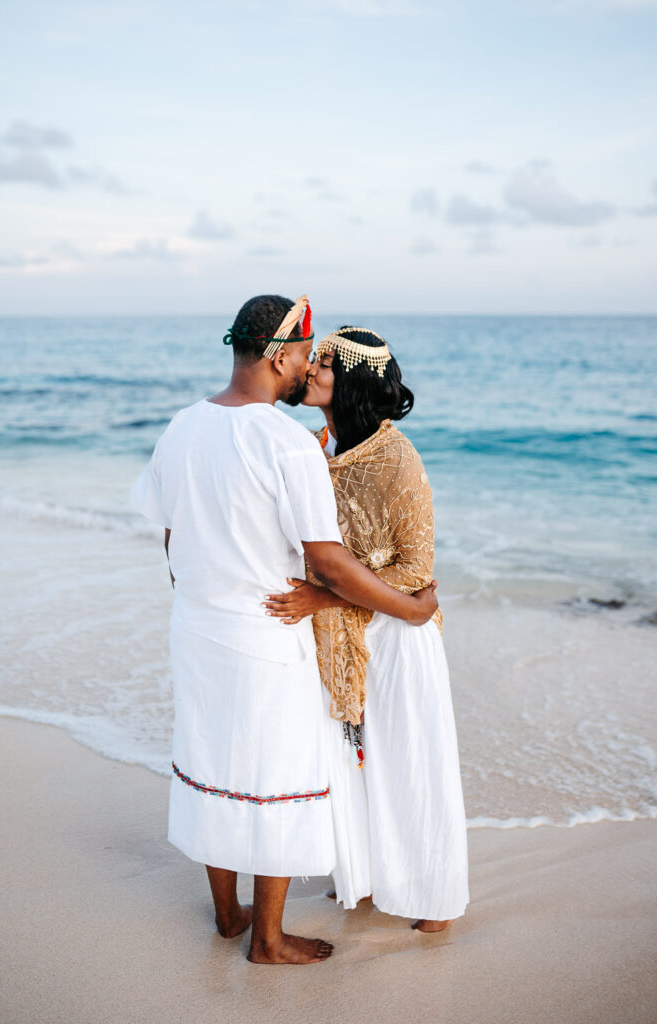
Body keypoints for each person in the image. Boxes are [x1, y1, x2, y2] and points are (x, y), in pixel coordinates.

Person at [131, 298, 440, 965]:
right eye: (305, 354)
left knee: (213, 761)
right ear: (278, 355)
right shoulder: (283, 443)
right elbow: (326, 559)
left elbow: (169, 535)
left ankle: (226, 914)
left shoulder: (182, 426)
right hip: (266, 632)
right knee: (274, 774)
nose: (307, 368)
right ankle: (266, 940)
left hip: (196, 627)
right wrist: (406, 607)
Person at [264, 326, 469, 932]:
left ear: (350, 380)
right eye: (315, 358)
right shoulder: (317, 448)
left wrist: (325, 596)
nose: (313, 369)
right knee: (355, 763)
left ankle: (435, 902)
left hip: (400, 639)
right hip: (342, 634)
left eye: (325, 363)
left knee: (412, 765)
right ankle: (372, 877)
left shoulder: (395, 456)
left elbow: (415, 571)